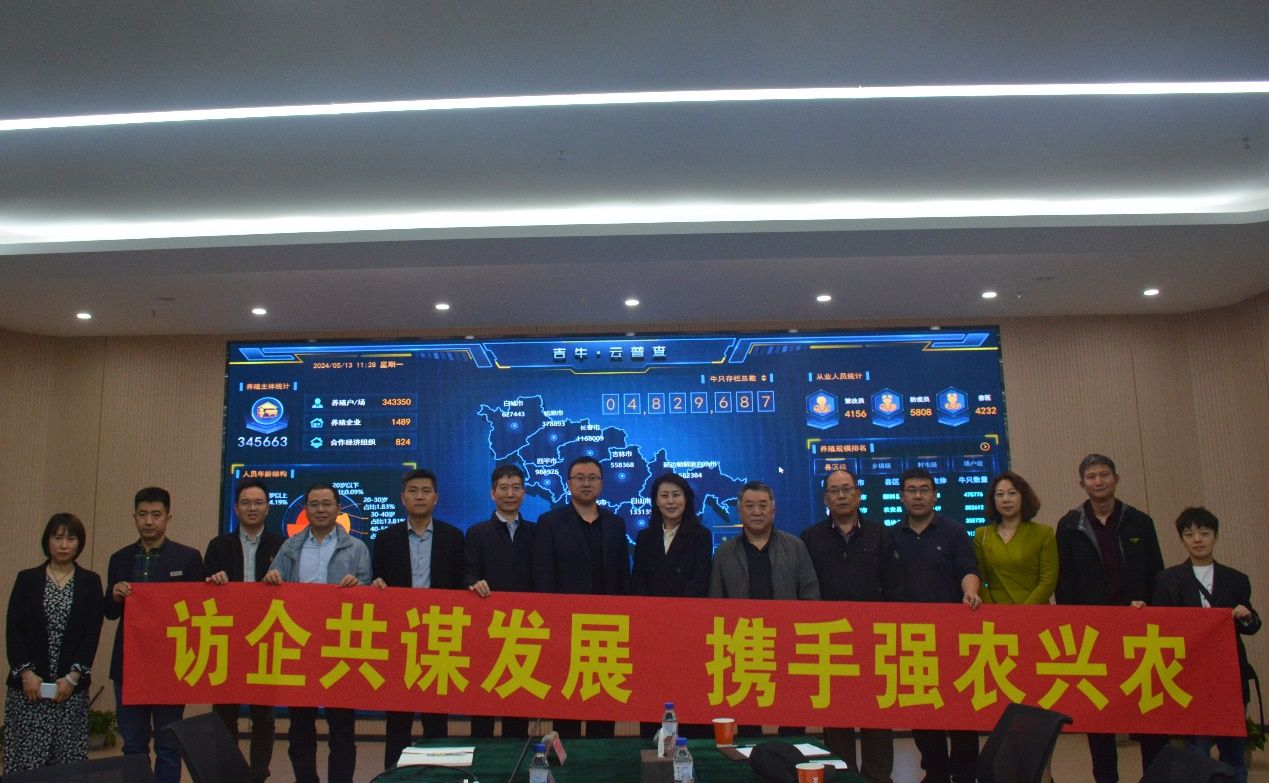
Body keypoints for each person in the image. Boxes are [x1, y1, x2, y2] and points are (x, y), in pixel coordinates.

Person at [1055, 454, 1164, 783]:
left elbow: (1156, 574)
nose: (1098, 481)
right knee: (1098, 712)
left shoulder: (1140, 522)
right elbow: (1065, 583)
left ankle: (1154, 777)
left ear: (1116, 478)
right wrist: (1074, 627)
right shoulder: (1069, 525)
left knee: (1147, 708)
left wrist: (1151, 612)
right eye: (1091, 476)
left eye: (1104, 474)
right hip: (1093, 633)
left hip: (1137, 628)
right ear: (1082, 484)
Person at [264, 483, 370, 783]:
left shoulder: (357, 548)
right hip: (301, 648)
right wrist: (271, 578)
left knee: (342, 730)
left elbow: (368, 593)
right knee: (300, 729)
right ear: (306, 509)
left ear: (339, 508)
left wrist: (359, 587)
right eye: (314, 504)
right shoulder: (290, 547)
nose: (321, 509)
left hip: (341, 647)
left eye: (327, 504)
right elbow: (272, 584)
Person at [801, 469, 902, 783]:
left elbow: (894, 586)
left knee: (876, 714)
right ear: (825, 499)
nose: (841, 496)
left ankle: (878, 778)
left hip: (874, 639)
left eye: (847, 489)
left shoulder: (881, 535)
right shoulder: (810, 538)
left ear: (858, 494)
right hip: (830, 640)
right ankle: (842, 776)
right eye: (834, 490)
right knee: (837, 716)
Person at [104, 487, 206, 783]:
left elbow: (198, 612)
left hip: (170, 664)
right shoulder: (120, 558)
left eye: (156, 515)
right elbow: (109, 612)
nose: (149, 521)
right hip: (129, 664)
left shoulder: (188, 558)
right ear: (134, 517)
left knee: (168, 746)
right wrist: (115, 595)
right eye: (143, 514)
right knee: (133, 746)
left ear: (168, 518)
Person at [1151, 507, 1259, 783]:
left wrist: (1246, 616)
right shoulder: (1168, 579)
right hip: (1190, 676)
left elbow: (1252, 625)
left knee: (1234, 754)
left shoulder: (1236, 579)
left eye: (1204, 533)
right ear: (1182, 540)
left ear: (1215, 536)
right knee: (1196, 752)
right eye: (1190, 534)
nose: (1197, 539)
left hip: (1229, 676)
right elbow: (1160, 625)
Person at [372, 469, 466, 768]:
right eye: (413, 491)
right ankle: (394, 775)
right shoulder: (386, 539)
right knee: (398, 720)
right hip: (400, 640)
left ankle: (437, 774)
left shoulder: (454, 537)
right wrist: (376, 584)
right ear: (403, 498)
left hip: (439, 638)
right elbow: (376, 579)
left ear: (436, 498)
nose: (420, 496)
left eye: (426, 491)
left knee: (436, 721)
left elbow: (460, 585)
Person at [532, 456, 631, 738]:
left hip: (607, 630)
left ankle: (602, 756)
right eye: (579, 478)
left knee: (603, 703)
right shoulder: (549, 522)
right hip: (566, 629)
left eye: (592, 478)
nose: (586, 483)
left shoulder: (615, 523)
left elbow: (622, 576)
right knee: (568, 705)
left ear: (601, 484)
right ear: (568, 483)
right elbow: (543, 577)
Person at [892, 468, 980, 783]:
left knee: (961, 709)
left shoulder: (954, 532)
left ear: (935, 495)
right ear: (901, 496)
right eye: (911, 490)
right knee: (922, 709)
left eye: (924, 489)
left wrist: (971, 591)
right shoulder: (891, 536)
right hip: (912, 639)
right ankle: (936, 771)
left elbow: (968, 568)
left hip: (952, 636)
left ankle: (965, 772)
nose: (918, 496)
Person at [4, 513, 104, 775]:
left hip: (69, 690)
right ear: (47, 541)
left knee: (68, 766)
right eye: (57, 537)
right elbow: (14, 630)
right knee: (26, 763)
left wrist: (72, 678)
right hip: (30, 691)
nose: (63, 545)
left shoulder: (90, 582)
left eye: (71, 539)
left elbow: (91, 634)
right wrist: (26, 674)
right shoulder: (27, 579)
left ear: (79, 543)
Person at [203, 477, 285, 783]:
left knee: (263, 715)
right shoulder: (218, 545)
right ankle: (229, 773)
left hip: (266, 639)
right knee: (224, 713)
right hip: (228, 640)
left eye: (258, 502)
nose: (252, 508)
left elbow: (295, 590)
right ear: (236, 509)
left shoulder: (282, 545)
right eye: (246, 503)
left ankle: (258, 774)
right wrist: (213, 581)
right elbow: (202, 591)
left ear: (268, 508)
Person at [631, 472, 714, 739]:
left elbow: (699, 581)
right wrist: (654, 615)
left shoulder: (701, 535)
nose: (670, 501)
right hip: (651, 629)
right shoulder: (645, 537)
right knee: (653, 691)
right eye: (664, 496)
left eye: (676, 495)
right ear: (655, 501)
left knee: (688, 691)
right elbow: (638, 582)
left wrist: (676, 616)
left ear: (686, 499)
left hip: (688, 628)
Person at [463, 464, 537, 739]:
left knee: (516, 704)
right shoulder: (477, 532)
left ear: (524, 493)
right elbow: (467, 572)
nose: (510, 494)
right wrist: (473, 582)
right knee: (483, 706)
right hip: (486, 629)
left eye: (516, 488)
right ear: (492, 493)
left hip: (523, 630)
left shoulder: (536, 532)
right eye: (503, 488)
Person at [709, 481, 819, 601]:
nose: (757, 512)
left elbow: (810, 596)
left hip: (786, 614)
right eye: (750, 506)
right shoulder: (724, 553)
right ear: (740, 512)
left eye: (762, 506)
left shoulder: (796, 547)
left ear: (773, 511)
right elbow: (715, 602)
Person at [974, 471, 1057, 606]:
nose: (1006, 499)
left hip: (1034, 610)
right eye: (1000, 494)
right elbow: (978, 578)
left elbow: (1048, 581)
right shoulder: (982, 534)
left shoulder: (1043, 533)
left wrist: (1023, 612)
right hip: (995, 611)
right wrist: (992, 611)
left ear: (1023, 497)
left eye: (1012, 493)